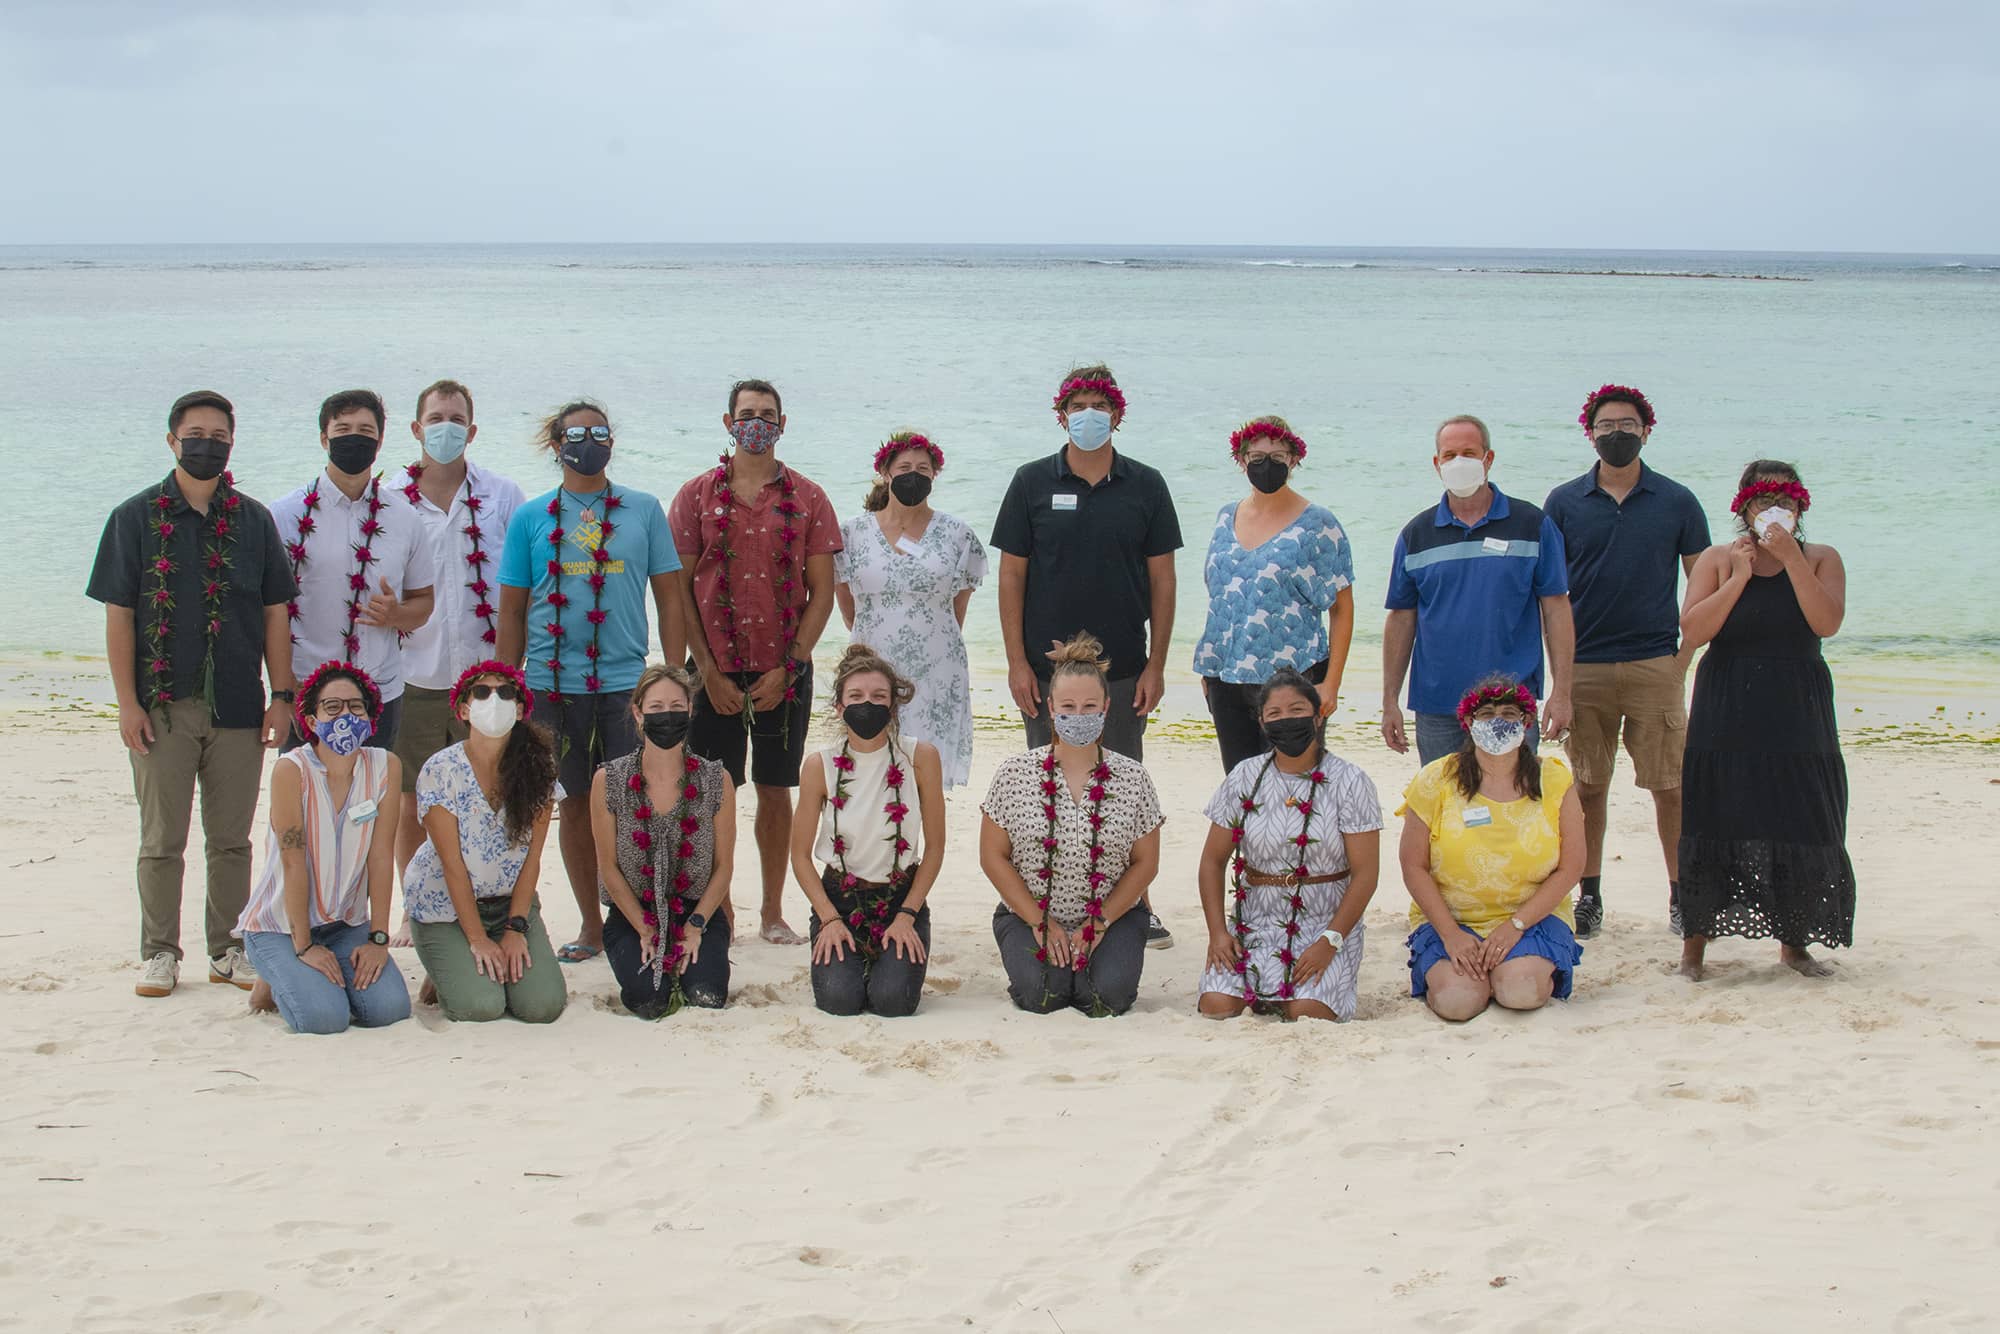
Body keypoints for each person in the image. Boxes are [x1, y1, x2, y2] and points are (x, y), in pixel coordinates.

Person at [87, 390, 299, 998]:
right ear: (173, 440)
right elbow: (120, 615)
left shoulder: (255, 520)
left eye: (219, 435)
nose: (208, 443)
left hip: (237, 706)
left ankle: (229, 947)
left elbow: (275, 613)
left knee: (231, 838)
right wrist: (127, 703)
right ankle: (159, 951)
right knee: (162, 840)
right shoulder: (134, 518)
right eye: (196, 433)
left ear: (233, 443)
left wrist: (280, 697)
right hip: (160, 707)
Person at [992, 364, 1181, 946]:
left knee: (1121, 791)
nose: (1089, 414)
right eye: (1078, 405)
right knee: (1046, 791)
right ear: (1061, 415)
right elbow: (1010, 576)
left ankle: (1134, 907)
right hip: (1046, 676)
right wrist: (1017, 663)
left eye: (1100, 404)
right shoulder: (1030, 482)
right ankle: (1038, 909)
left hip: (1124, 669)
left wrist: (1158, 663)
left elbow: (1164, 580)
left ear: (1117, 415)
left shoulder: (1146, 485)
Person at [497, 399, 685, 964]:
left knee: (644, 803)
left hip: (627, 685)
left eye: (598, 431)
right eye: (575, 433)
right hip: (551, 686)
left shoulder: (644, 510)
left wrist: (671, 677)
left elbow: (670, 596)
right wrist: (505, 687)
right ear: (555, 446)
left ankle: (647, 917)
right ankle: (591, 924)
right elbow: (510, 611)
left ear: (612, 440)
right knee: (574, 804)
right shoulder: (531, 517)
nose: (587, 440)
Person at [670, 378, 842, 945]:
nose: (757, 424)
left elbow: (822, 591)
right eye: (747, 414)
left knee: (775, 787)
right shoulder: (695, 495)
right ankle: (717, 910)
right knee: (713, 790)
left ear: (783, 424)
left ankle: (773, 911)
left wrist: (790, 665)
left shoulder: (811, 498)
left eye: (768, 415)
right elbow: (681, 590)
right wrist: (708, 672)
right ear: (728, 423)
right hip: (714, 666)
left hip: (783, 669)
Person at [1544, 383, 1711, 940]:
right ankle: (1589, 895)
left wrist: (1682, 657)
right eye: (1607, 426)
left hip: (1653, 664)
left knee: (1671, 787)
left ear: (1647, 430)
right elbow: (1551, 595)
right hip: (1585, 665)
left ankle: (1682, 895)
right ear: (1589, 432)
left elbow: (1703, 585)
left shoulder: (1678, 501)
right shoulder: (1563, 503)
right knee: (1589, 788)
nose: (1617, 434)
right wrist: (1559, 677)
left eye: (1628, 425)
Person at [1676, 462, 1852, 981]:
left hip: (1798, 699)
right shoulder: (1716, 558)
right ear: (1743, 507)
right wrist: (1739, 576)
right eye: (1762, 502)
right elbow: (1694, 629)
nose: (1774, 511)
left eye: (1786, 502)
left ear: (1801, 507)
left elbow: (1827, 622)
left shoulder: (1821, 558)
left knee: (1800, 814)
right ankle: (1693, 950)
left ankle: (1795, 944)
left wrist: (1791, 558)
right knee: (1715, 813)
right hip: (1727, 697)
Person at [391, 379, 528, 898]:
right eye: (435, 418)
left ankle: (496, 894)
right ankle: (416, 903)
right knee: (411, 798)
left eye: (455, 419)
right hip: (413, 673)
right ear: (415, 428)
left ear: (471, 430)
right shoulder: (390, 503)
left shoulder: (502, 495)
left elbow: (526, 586)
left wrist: (516, 669)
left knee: (494, 791)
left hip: (488, 675)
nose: (444, 428)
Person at [979, 634, 1164, 1016]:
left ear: (1106, 707)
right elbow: (993, 857)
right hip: (1029, 914)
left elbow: (1146, 863)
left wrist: (1100, 922)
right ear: (1050, 707)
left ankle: (1096, 964)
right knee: (1042, 996)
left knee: (1106, 998)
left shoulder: (1133, 777)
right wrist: (1039, 920)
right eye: (1068, 706)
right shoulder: (1014, 773)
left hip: (1113, 916)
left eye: (1089, 706)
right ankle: (1053, 966)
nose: (1078, 716)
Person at [1381, 414, 1575, 766]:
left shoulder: (1532, 524)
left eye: (1469, 453)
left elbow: (1556, 609)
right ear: (1436, 463)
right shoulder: (1416, 534)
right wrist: (1389, 701)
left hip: (1512, 703)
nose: (1459, 463)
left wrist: (1562, 693)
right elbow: (1401, 618)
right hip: (1438, 704)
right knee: (1444, 808)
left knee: (1514, 806)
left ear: (1488, 459)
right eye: (1449, 455)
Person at [1194, 668, 1382, 1022]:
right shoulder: (1245, 776)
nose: (1286, 721)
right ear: (1262, 724)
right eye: (1275, 714)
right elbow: (1212, 861)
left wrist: (1331, 941)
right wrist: (1218, 933)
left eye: (1296, 711)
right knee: (1217, 1006)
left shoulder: (1351, 780)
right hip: (1255, 917)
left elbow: (1366, 874)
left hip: (1326, 919)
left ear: (1318, 715)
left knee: (1306, 1011)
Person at [236, 661, 412, 1034]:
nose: (345, 715)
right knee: (324, 1019)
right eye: (332, 707)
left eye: (355, 706)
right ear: (312, 721)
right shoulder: (291, 770)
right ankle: (277, 971)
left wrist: (378, 938)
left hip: (345, 923)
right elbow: (292, 860)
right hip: (281, 926)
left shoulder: (385, 767)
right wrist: (303, 946)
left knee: (388, 1009)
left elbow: (381, 857)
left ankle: (299, 975)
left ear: (370, 714)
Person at [1397, 677, 1585, 1022]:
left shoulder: (1555, 779)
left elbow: (1571, 868)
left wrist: (1516, 925)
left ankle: (1514, 968)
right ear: (1468, 723)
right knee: (1457, 1001)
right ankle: (1473, 974)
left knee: (1520, 991)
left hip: (1531, 917)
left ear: (1526, 723)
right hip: (1450, 920)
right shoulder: (1435, 778)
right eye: (1485, 714)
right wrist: (1451, 935)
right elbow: (1413, 866)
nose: (1497, 720)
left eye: (1509, 713)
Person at [270, 388, 437, 752]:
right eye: (343, 429)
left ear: (378, 442)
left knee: (371, 803)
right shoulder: (284, 516)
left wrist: (397, 614)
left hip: (380, 690)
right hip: (307, 690)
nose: (354, 438)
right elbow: (270, 612)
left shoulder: (405, 517)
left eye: (365, 430)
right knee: (304, 803)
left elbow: (424, 601)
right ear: (323, 438)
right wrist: (282, 692)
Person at [401, 661, 566, 1024]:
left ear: (520, 709)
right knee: (481, 1007)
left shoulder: (540, 767)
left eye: (506, 692)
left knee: (541, 1007)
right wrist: (476, 938)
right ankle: (451, 958)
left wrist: (515, 929)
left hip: (509, 905)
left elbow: (533, 858)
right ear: (463, 709)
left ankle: (466, 963)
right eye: (481, 692)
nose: (494, 699)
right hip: (445, 906)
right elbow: (452, 864)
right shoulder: (440, 770)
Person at [790, 644, 947, 1016]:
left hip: (900, 899)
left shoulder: (920, 758)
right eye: (856, 696)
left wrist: (908, 913)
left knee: (892, 1002)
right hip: (838, 900)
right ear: (839, 707)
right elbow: (798, 855)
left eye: (879, 697)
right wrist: (828, 918)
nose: (868, 705)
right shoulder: (820, 765)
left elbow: (937, 847)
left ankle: (894, 960)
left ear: (893, 706)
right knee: (839, 1001)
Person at [1192, 416, 1356, 772]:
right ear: (1241, 460)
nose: (1267, 464)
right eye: (1257, 456)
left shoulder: (1319, 524)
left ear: (1294, 460)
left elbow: (1341, 608)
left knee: (1295, 786)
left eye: (1278, 456)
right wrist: (1209, 673)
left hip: (1294, 682)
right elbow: (1221, 596)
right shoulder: (1225, 517)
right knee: (1241, 787)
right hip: (1228, 679)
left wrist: (1331, 684)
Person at [833, 431, 986, 788]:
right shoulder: (851, 534)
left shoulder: (958, 535)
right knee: (869, 773)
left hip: (936, 668)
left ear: (935, 475)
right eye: (904, 467)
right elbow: (845, 599)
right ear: (885, 473)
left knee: (924, 774)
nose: (913, 474)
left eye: (923, 467)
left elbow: (957, 606)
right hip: (871, 664)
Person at [591, 664, 737, 1017]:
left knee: (707, 996)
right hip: (633, 913)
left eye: (676, 706)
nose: (666, 715)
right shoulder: (608, 780)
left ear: (689, 710)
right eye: (656, 708)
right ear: (638, 714)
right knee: (649, 1001)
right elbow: (608, 867)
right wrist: (645, 929)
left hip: (697, 910)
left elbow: (724, 867)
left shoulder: (717, 779)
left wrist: (697, 925)